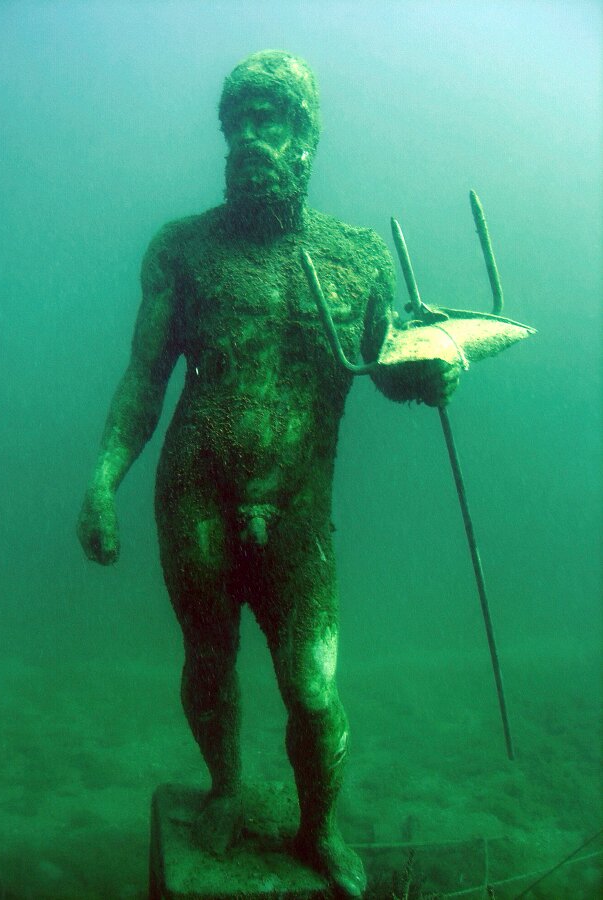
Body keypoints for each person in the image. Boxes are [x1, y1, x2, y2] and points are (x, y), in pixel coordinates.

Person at [77, 50, 459, 897]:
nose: (251, 135)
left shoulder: (356, 257)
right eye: (238, 121)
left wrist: (432, 371)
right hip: (195, 494)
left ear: (305, 136)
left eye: (270, 119)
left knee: (312, 686)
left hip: (297, 507)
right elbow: (143, 380)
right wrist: (104, 479)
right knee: (207, 660)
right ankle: (224, 790)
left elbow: (386, 364)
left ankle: (319, 826)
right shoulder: (182, 250)